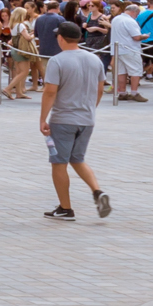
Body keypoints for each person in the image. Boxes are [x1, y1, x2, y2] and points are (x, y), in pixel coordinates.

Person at [40, 21, 111, 219]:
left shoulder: (57, 60)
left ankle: (65, 207)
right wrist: (90, 109)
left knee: (59, 162)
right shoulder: (94, 59)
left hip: (63, 118)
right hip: (87, 118)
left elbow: (50, 91)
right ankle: (97, 190)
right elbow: (100, 89)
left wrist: (43, 118)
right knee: (77, 158)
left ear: (61, 38)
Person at [108, 1, 146, 100]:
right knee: (135, 71)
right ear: (134, 12)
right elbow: (136, 37)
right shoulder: (130, 21)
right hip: (130, 49)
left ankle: (122, 92)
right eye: (137, 14)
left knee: (121, 71)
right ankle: (134, 92)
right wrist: (144, 36)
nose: (136, 16)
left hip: (117, 50)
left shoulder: (116, 19)